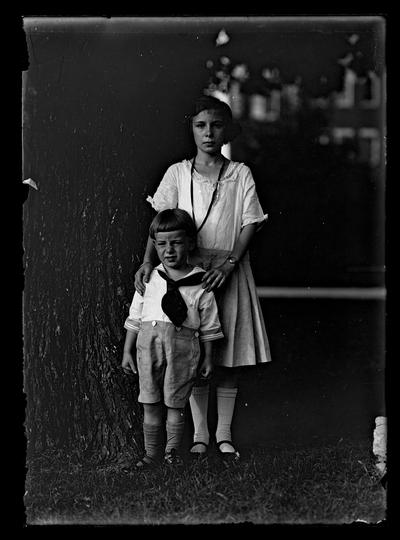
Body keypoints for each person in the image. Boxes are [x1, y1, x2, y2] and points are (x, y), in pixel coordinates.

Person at [135, 94, 272, 460]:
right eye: (200, 126)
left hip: (227, 270)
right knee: (188, 350)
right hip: (189, 275)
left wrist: (229, 264)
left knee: (225, 353)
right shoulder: (178, 173)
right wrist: (149, 262)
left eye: (215, 125)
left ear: (226, 130)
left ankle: (224, 434)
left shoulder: (240, 173)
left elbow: (249, 223)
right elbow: (159, 224)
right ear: (191, 130)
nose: (208, 133)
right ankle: (199, 436)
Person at [122, 208, 224, 468]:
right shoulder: (148, 278)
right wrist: (127, 351)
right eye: (162, 244)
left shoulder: (201, 282)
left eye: (176, 243)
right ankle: (150, 454)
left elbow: (210, 325)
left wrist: (209, 358)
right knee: (150, 402)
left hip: (182, 351)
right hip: (149, 350)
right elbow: (135, 317)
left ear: (190, 243)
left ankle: (171, 454)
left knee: (175, 404)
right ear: (154, 246)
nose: (169, 250)